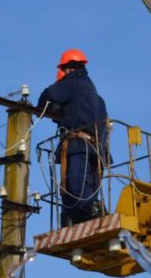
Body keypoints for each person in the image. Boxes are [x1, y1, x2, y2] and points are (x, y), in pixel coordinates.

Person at [36, 49, 109, 227]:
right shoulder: (93, 94)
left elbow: (51, 94)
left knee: (76, 188)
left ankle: (89, 211)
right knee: (86, 187)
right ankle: (81, 216)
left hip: (79, 146)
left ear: (68, 69)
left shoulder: (73, 82)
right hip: (96, 148)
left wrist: (45, 103)